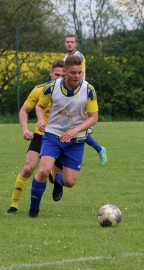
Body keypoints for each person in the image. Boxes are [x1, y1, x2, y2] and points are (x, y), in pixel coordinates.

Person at [28, 55, 98, 218]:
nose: (77, 76)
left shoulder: (88, 90)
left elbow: (93, 118)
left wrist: (75, 130)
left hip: (75, 140)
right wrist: (40, 120)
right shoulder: (52, 87)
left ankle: (58, 180)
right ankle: (33, 211)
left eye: (80, 73)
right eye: (73, 73)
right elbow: (39, 106)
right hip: (52, 135)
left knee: (70, 182)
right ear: (65, 72)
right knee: (44, 170)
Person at [5, 60, 65, 215]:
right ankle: (14, 205)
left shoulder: (71, 92)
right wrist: (25, 129)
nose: (59, 78)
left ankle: (57, 181)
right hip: (41, 135)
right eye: (56, 74)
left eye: (62, 75)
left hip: (61, 137)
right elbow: (24, 111)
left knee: (59, 175)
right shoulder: (40, 90)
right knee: (28, 168)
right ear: (50, 73)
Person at [64, 33, 107, 165]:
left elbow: (79, 76)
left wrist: (78, 94)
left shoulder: (79, 57)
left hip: (78, 95)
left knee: (76, 126)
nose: (69, 44)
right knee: (71, 125)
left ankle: (98, 149)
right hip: (68, 95)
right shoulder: (66, 58)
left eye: (72, 42)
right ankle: (99, 149)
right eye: (67, 42)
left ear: (76, 44)